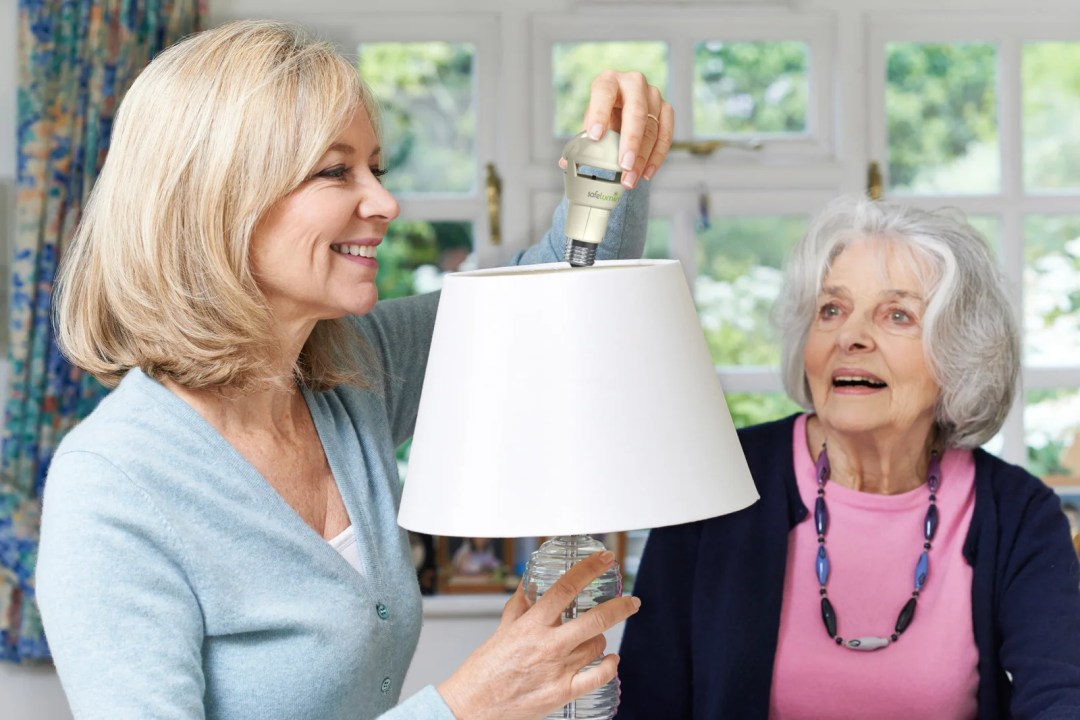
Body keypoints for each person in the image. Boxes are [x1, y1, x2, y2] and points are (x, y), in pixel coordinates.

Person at [34, 19, 674, 720]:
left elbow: (557, 299)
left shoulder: (352, 367)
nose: (385, 204)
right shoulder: (114, 485)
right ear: (217, 200)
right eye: (336, 171)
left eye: (377, 169)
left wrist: (616, 159)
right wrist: (466, 706)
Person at [617, 197, 1080, 719]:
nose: (850, 337)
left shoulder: (1018, 514)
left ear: (960, 353)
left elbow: (1061, 692)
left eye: (897, 315)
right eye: (831, 310)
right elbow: (647, 701)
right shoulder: (719, 480)